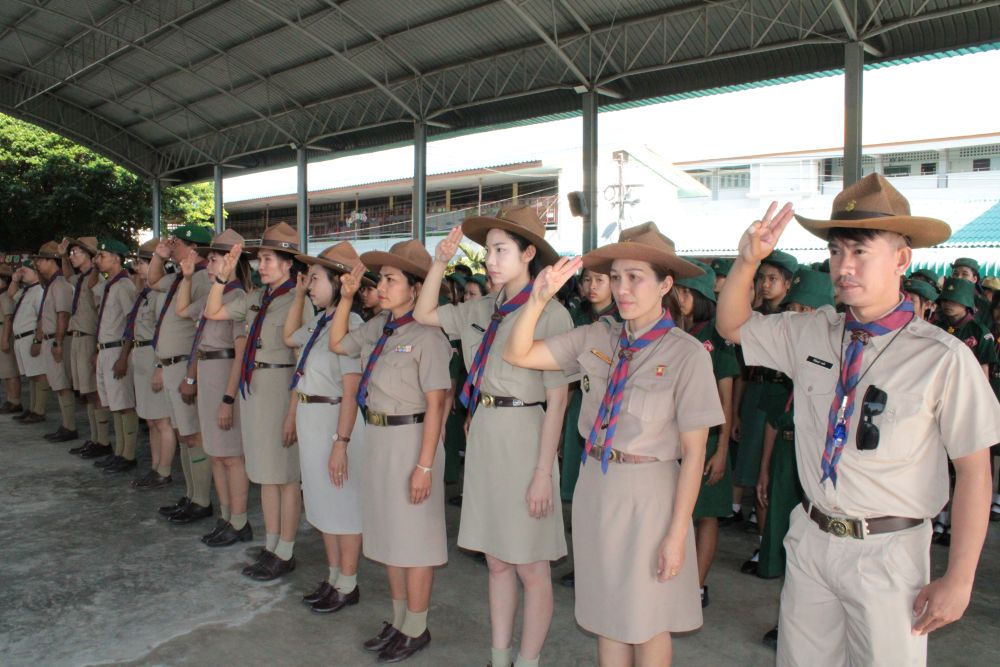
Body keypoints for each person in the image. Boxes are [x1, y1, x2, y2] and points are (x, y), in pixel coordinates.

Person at [716, 173, 1000, 666]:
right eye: (836, 251)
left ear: (902, 259)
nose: (844, 266)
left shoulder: (943, 357)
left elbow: (974, 471)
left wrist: (959, 578)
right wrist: (747, 262)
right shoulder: (811, 332)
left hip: (888, 550)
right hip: (812, 535)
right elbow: (732, 325)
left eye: (860, 251)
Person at [503, 221, 722, 666]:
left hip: (650, 495)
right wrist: (537, 299)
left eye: (635, 278)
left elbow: (695, 452)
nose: (622, 289)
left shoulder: (686, 354)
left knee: (647, 619)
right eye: (616, 277)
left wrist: (677, 535)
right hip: (596, 486)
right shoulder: (597, 336)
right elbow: (518, 353)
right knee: (605, 615)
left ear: (665, 285)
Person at [415, 207, 571, 667]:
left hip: (526, 436)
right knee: (497, 561)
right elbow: (424, 312)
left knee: (531, 565)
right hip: (484, 431)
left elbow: (558, 400)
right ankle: (499, 656)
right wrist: (440, 261)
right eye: (488, 252)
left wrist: (543, 473)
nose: (491, 261)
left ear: (528, 254)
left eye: (502, 250)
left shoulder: (552, 313)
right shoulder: (481, 307)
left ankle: (528, 661)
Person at [329, 240, 450, 662]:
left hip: (412, 441)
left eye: (391, 280)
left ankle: (416, 626)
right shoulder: (380, 327)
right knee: (388, 538)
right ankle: (399, 620)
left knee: (415, 541)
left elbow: (437, 404)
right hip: (379, 438)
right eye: (380, 279)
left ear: (415, 289)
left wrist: (424, 466)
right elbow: (338, 343)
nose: (381, 287)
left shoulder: (429, 336)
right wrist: (346, 299)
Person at [205, 222, 301, 580]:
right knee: (264, 475)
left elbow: (303, 364)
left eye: (268, 259)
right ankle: (271, 544)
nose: (261, 266)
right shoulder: (257, 297)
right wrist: (222, 278)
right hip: (255, 391)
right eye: (259, 259)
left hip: (281, 391)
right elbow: (213, 312)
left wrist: (293, 413)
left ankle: (286, 549)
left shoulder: (298, 300)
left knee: (286, 476)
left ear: (288, 264)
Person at [287, 242, 366, 612]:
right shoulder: (321, 321)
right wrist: (298, 295)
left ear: (339, 282)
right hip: (313, 420)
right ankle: (333, 576)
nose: (310, 285)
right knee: (322, 506)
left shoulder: (350, 325)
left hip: (335, 421)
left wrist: (341, 443)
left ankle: (348, 583)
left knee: (343, 506)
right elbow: (289, 337)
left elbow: (351, 391)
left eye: (315, 278)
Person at [175, 229, 252, 546]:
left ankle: (239, 521)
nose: (208, 265)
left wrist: (228, 399)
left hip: (223, 377)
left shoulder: (238, 298)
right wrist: (187, 278)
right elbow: (182, 310)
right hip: (207, 374)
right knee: (216, 454)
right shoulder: (214, 295)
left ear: (231, 262)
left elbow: (240, 354)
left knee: (231, 456)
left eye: (214, 260)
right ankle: (226, 516)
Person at [672, 260, 738, 609]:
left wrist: (722, 449)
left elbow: (726, 398)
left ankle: (697, 585)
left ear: (701, 298)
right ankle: (675, 580)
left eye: (686, 293)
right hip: (674, 437)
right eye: (678, 292)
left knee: (706, 514)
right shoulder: (670, 331)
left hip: (709, 439)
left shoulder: (715, 336)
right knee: (676, 511)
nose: (679, 299)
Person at [730, 250, 797, 574]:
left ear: (789, 283)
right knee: (757, 468)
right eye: (762, 278)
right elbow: (742, 371)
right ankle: (763, 543)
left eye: (773, 278)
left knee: (775, 473)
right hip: (757, 393)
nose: (765, 284)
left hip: (785, 396)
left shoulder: (795, 318)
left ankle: (779, 546)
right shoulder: (755, 318)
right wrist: (737, 412)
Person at [147, 224, 215, 524]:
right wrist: (159, 256)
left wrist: (191, 374)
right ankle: (191, 495)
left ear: (193, 248)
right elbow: (153, 281)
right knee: (183, 433)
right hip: (171, 365)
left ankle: (201, 500)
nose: (170, 245)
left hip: (186, 364)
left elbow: (200, 329)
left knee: (193, 435)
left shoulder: (202, 279)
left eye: (176, 242)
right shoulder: (179, 277)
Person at [124, 239, 177, 490]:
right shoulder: (145, 293)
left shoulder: (161, 294)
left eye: (142, 263)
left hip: (154, 355)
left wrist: (160, 366)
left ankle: (164, 471)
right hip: (141, 355)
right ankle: (155, 467)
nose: (138, 268)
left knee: (162, 420)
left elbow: (163, 332)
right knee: (151, 419)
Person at [91, 239, 140, 474]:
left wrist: (123, 356)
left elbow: (131, 322)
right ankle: (119, 452)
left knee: (124, 404)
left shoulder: (124, 286)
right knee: (115, 405)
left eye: (102, 256)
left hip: (117, 350)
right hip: (105, 349)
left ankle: (128, 454)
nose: (98, 260)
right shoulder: (109, 285)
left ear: (116, 258)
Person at [61, 237, 111, 459]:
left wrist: (98, 348)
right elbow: (67, 276)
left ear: (90, 255)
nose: (72, 256)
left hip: (90, 338)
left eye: (76, 253)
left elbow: (102, 314)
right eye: (71, 253)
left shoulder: (96, 279)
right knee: (87, 392)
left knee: (95, 391)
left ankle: (103, 441)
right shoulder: (80, 278)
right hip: (78, 337)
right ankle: (95, 438)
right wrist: (63, 255)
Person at [32, 242, 76, 442]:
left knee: (62, 384)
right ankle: (66, 424)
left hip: (58, 340)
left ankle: (69, 426)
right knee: (58, 385)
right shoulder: (51, 284)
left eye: (41, 260)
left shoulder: (60, 285)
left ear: (52, 261)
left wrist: (58, 343)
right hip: (50, 339)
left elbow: (63, 315)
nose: (38, 264)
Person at [6, 260, 46, 423]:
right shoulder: (27, 290)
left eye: (25, 271)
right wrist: (14, 280)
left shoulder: (39, 291)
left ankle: (39, 410)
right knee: (31, 376)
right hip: (22, 339)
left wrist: (38, 340)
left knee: (39, 375)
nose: (22, 273)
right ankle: (32, 408)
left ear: (36, 272)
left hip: (31, 337)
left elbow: (42, 318)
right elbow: (11, 294)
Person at [0, 262, 22, 415]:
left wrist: (5, 339)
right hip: (2, 331)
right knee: (5, 370)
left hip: (5, 331)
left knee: (10, 370)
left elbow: (8, 318)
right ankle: (10, 399)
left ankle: (15, 401)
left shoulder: (6, 295)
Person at [950, 258, 992, 328]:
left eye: (965, 274)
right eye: (955, 274)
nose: (959, 277)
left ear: (974, 279)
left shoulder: (983, 305)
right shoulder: (944, 300)